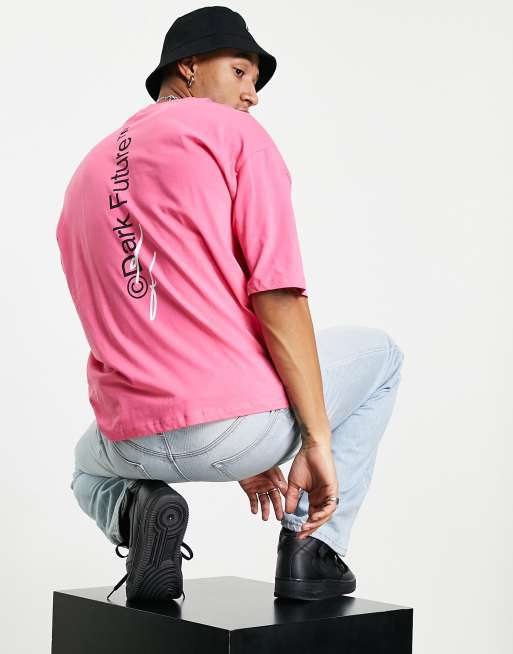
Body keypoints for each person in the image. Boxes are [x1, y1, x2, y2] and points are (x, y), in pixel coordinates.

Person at [56, 6, 405, 603]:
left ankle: (137, 509)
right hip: (241, 429)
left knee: (85, 471)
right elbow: (278, 295)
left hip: (132, 442)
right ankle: (313, 549)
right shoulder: (233, 135)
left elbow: (124, 316)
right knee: (383, 356)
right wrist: (315, 441)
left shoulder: (85, 173)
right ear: (189, 66)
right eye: (241, 72)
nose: (252, 95)